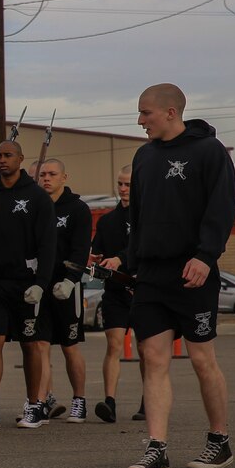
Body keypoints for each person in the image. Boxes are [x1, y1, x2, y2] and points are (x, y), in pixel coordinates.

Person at [126, 84, 235, 468]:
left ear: (171, 112)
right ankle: (157, 447)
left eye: (146, 113)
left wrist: (206, 256)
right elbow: (136, 218)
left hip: (193, 272)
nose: (140, 121)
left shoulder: (209, 152)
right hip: (152, 275)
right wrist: (131, 261)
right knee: (152, 357)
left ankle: (218, 441)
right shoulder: (144, 156)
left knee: (201, 358)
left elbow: (222, 207)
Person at [0, 140, 56, 430]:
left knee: (29, 343)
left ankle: (34, 404)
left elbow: (47, 245)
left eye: (8, 155)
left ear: (21, 159)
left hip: (26, 282)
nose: (2, 160)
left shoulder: (37, 197)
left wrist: (41, 283)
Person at [36, 158, 92, 422]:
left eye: (52, 174)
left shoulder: (78, 209)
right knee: (40, 345)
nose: (46, 178)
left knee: (69, 346)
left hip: (67, 286)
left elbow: (81, 249)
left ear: (64, 177)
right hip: (40, 285)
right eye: (43, 174)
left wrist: (71, 279)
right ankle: (44, 398)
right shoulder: (34, 207)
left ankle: (79, 400)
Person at [90, 165, 134, 423]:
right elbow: (98, 256)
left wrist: (122, 259)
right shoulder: (107, 221)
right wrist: (94, 261)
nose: (123, 189)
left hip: (143, 291)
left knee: (148, 349)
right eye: (120, 184)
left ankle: (146, 402)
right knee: (114, 344)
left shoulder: (150, 217)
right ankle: (110, 402)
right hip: (115, 292)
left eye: (128, 184)